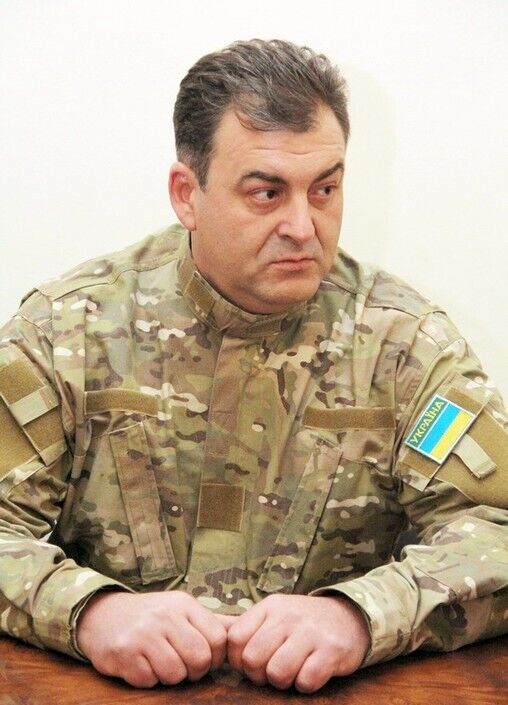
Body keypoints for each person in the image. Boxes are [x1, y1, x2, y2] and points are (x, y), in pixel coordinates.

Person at [0, 38, 507, 694]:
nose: (303, 225)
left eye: (325, 189)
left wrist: (361, 616)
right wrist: (86, 610)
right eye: (267, 193)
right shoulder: (68, 330)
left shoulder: (403, 344)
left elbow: (496, 528)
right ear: (187, 194)